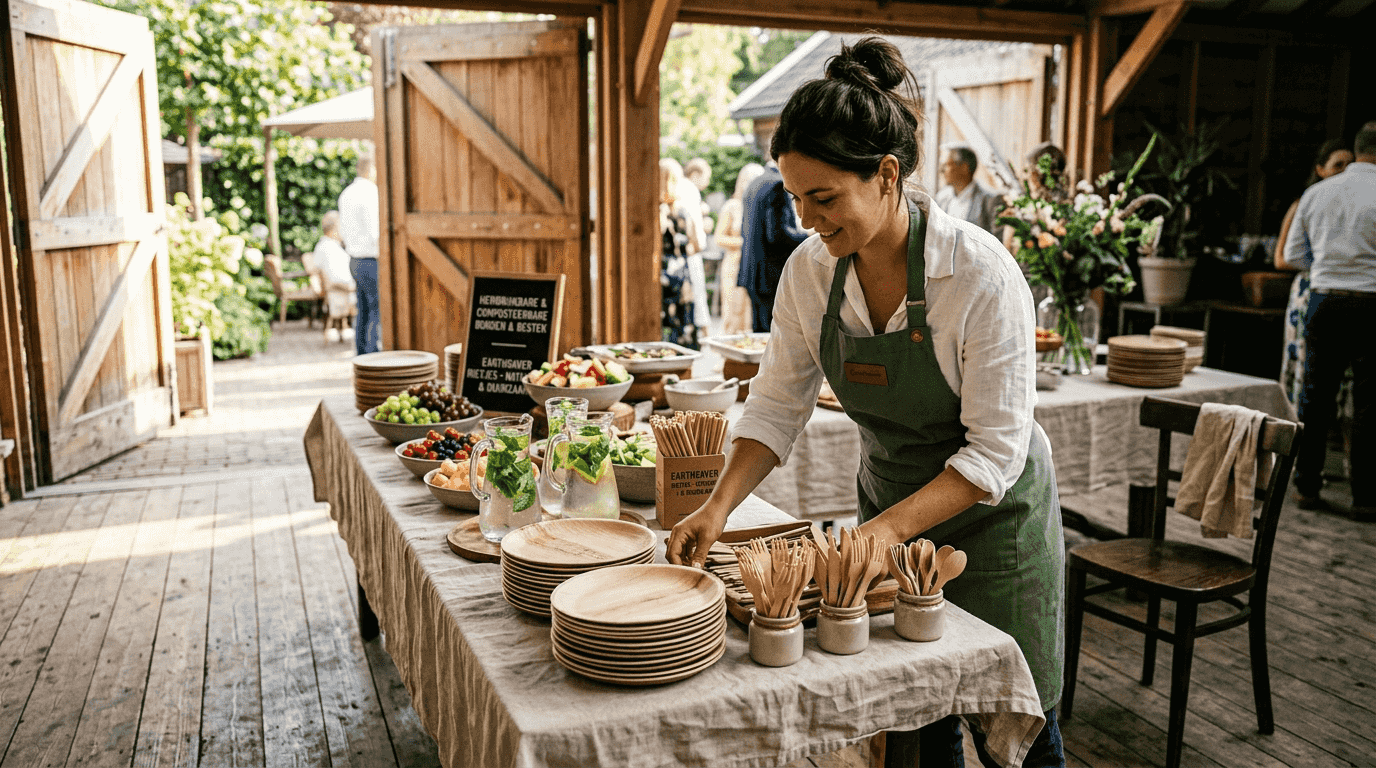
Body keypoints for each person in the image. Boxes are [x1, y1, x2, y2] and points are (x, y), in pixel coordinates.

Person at [666, 38, 1065, 767]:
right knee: (913, 718)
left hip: (995, 526)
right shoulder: (810, 274)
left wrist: (878, 536)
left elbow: (996, 452)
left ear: (887, 176)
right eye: (794, 198)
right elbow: (776, 406)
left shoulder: (979, 276)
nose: (806, 219)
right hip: (887, 512)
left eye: (824, 198)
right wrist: (717, 508)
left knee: (1016, 731)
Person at [1281, 128, 1376, 522]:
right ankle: (1366, 497)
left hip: (1324, 300)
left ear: (1356, 152)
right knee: (1370, 403)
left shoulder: (1318, 194)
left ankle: (1305, 485)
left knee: (1315, 396)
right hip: (1372, 303)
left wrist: (1328, 269)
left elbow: (1292, 254)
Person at [1274, 140, 1354, 413]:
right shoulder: (1305, 203)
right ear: (1320, 169)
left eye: (1349, 164)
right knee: (1305, 368)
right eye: (1338, 165)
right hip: (1311, 288)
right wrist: (1322, 263)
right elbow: (1281, 258)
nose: (1344, 171)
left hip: (1340, 289)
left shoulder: (1357, 206)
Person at [738, 164, 810, 332]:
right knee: (775, 337)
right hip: (770, 276)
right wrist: (808, 237)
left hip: (752, 275)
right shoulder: (778, 186)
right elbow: (777, 235)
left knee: (761, 334)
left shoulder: (754, 183)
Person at [716, 163, 767, 334]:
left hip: (755, 267)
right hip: (734, 265)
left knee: (750, 317)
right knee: (732, 314)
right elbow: (719, 238)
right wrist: (746, 242)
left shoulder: (759, 207)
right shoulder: (732, 206)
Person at [339, 153, 381, 355]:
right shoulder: (370, 192)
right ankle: (372, 355)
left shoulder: (346, 193)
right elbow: (375, 231)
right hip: (371, 259)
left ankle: (361, 353)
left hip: (354, 259)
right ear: (371, 169)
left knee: (363, 309)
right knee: (375, 310)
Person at [660, 160, 700, 349]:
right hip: (681, 279)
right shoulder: (683, 213)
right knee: (681, 327)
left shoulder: (654, 213)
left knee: (664, 331)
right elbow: (696, 245)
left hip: (662, 279)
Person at [933, 143, 1003, 234]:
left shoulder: (989, 200)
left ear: (964, 167)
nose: (942, 170)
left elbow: (997, 241)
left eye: (947, 164)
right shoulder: (941, 198)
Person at [314, 211, 357, 343]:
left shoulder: (326, 246)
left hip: (342, 289)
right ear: (334, 229)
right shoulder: (329, 248)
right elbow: (339, 278)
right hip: (342, 291)